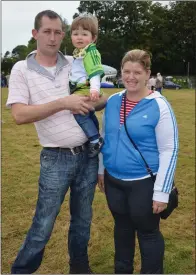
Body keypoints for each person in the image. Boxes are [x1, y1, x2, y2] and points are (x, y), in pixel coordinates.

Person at [6, 10, 106, 274]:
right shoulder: (21, 69)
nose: (53, 38)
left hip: (88, 154)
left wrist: (108, 98)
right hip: (55, 158)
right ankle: (22, 270)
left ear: (64, 34)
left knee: (83, 221)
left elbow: (97, 99)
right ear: (35, 34)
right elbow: (19, 115)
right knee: (43, 224)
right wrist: (63, 103)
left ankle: (80, 268)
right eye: (47, 31)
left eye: (58, 32)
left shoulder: (76, 61)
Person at [98, 49, 179, 274]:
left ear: (147, 74)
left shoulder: (159, 105)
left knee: (147, 233)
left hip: (144, 183)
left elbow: (169, 149)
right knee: (122, 229)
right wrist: (101, 170)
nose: (131, 77)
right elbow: (105, 138)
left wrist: (161, 191)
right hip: (114, 181)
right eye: (126, 71)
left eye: (137, 72)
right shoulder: (113, 101)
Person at [69, 14, 104, 158]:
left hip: (84, 88)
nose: (79, 37)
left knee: (78, 112)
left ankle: (95, 140)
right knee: (88, 114)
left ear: (93, 37)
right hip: (80, 87)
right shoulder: (80, 52)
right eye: (75, 34)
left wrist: (95, 89)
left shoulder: (91, 52)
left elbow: (94, 72)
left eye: (84, 34)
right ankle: (97, 135)